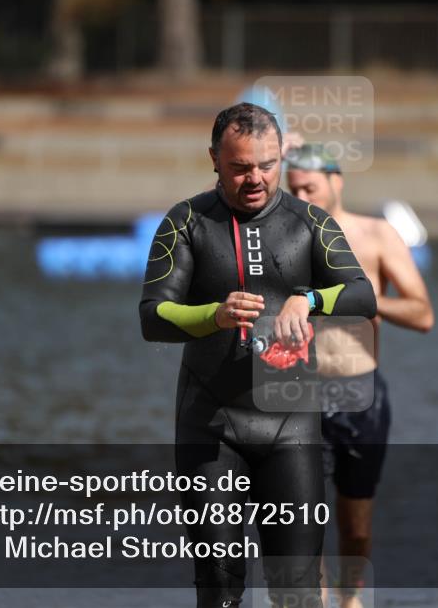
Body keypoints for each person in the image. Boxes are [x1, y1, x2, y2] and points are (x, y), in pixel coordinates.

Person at [139, 103, 377, 608]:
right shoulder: (186, 222)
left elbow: (362, 295)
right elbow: (152, 316)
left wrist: (309, 299)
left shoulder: (309, 221)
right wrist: (214, 316)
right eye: (240, 167)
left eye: (266, 165)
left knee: (297, 593)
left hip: (291, 428)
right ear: (214, 159)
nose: (255, 179)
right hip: (211, 427)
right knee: (220, 591)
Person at [285, 143, 434, 608]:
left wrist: (368, 301)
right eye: (294, 190)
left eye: (310, 187)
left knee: (356, 527)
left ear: (336, 180)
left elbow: (423, 313)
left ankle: (349, 600)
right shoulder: (279, 236)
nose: (303, 197)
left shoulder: (375, 235)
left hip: (359, 393)